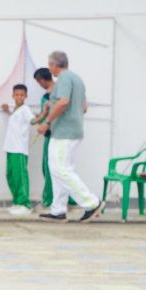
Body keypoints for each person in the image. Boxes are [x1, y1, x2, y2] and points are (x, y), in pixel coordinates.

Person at [36, 51, 102, 222]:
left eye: (50, 64)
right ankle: (58, 210)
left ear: (53, 65)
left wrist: (48, 121)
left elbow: (64, 102)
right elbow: (84, 107)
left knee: (60, 169)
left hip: (63, 132)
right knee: (59, 169)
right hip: (72, 130)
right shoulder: (77, 79)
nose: (50, 68)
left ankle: (91, 202)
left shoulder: (64, 79)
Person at [1, 84, 35, 215]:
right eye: (17, 95)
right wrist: (7, 111)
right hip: (10, 148)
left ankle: (25, 204)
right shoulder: (16, 110)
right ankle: (17, 202)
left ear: (26, 96)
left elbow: (32, 120)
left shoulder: (26, 109)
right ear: (13, 96)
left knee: (20, 177)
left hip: (19, 149)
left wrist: (43, 116)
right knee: (11, 176)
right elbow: (16, 119)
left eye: (22, 95)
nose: (19, 97)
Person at [31, 67, 56, 207]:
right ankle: (60, 200)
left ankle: (49, 200)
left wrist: (42, 120)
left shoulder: (52, 95)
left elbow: (46, 116)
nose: (39, 85)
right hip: (53, 135)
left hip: (53, 136)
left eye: (38, 82)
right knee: (52, 168)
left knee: (49, 168)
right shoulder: (49, 95)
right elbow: (42, 115)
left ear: (41, 80)